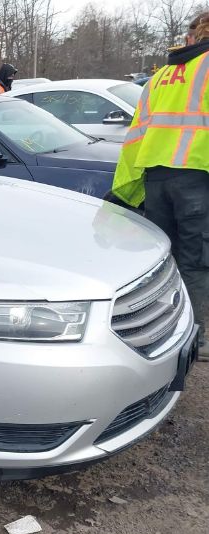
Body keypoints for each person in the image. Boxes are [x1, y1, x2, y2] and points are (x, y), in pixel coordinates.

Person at [111, 11, 209, 361]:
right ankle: (194, 340)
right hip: (198, 179)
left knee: (162, 261)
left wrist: (124, 192)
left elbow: (135, 139)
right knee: (196, 262)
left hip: (157, 181)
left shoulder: (160, 77)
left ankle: (162, 333)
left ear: (191, 37)